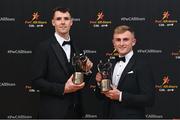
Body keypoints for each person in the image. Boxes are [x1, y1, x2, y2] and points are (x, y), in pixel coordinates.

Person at [31, 7, 93, 118]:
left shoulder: (78, 47)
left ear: (71, 22)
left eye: (66, 18)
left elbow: (82, 82)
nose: (63, 22)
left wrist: (87, 71)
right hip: (52, 113)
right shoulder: (43, 47)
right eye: (59, 19)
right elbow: (36, 81)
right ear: (53, 22)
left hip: (76, 112)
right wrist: (63, 89)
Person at [95, 25, 155, 119]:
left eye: (125, 39)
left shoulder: (142, 65)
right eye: (118, 40)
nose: (121, 43)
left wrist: (121, 96)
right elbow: (100, 97)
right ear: (113, 43)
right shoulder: (109, 64)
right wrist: (99, 83)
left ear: (133, 42)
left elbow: (149, 99)